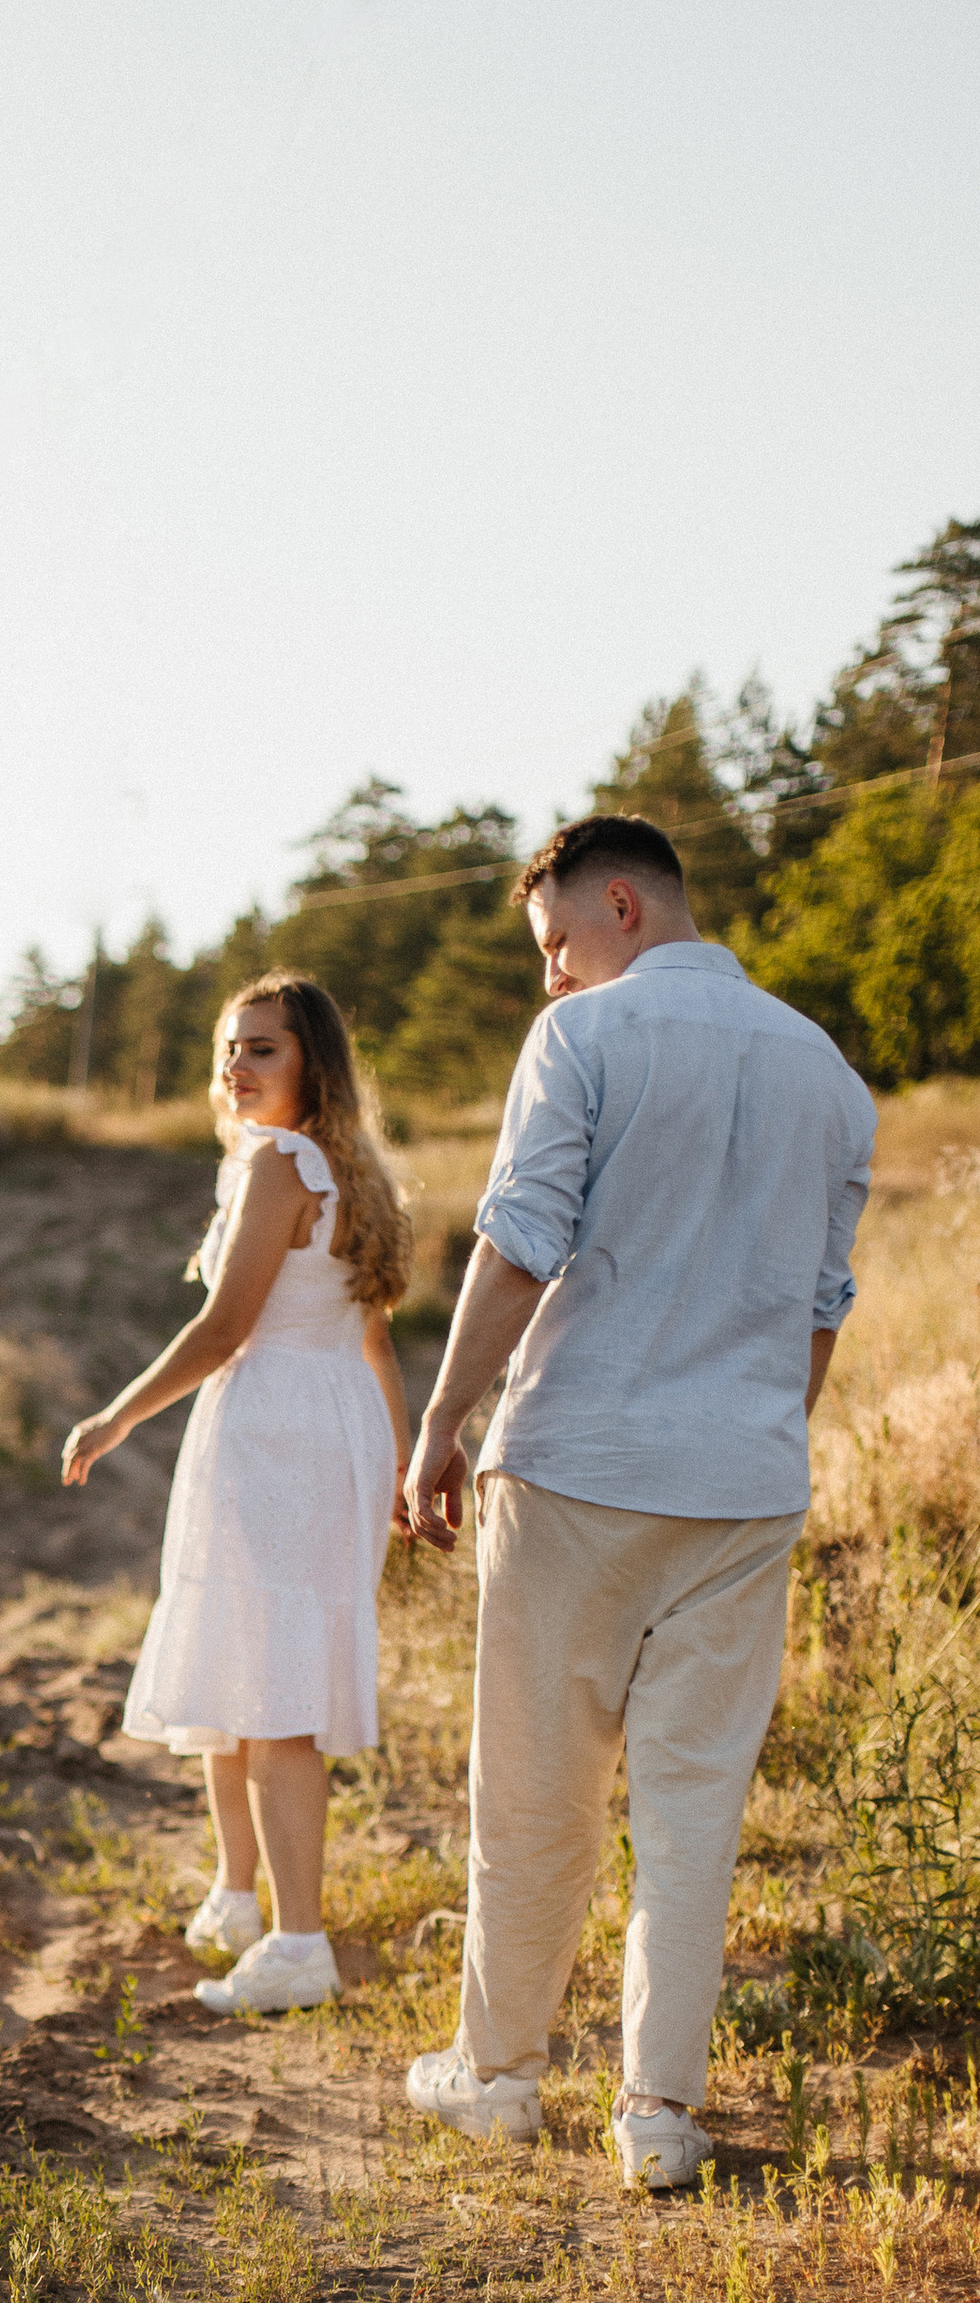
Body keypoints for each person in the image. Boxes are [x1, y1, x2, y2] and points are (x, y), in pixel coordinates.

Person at [399, 812, 875, 2191]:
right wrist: (752, 1442)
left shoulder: (585, 1040)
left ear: (618, 904)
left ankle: (498, 2075)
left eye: (553, 945)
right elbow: (821, 1311)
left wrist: (442, 1421)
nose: (551, 976)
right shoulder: (831, 1076)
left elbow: (520, 1241)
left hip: (577, 1467)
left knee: (537, 1790)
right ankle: (659, 2115)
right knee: (694, 1810)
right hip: (741, 1484)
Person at [61, 970, 411, 2014]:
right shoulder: (337, 1166)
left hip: (279, 1430)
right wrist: (396, 1464)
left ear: (312, 1061)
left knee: (275, 1692)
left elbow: (221, 1331)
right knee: (243, 1659)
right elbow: (374, 1341)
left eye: (263, 1046)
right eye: (228, 1047)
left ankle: (299, 1945)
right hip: (326, 1424)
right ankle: (239, 1893)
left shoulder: (277, 1165)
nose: (236, 1066)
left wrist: (115, 1415)